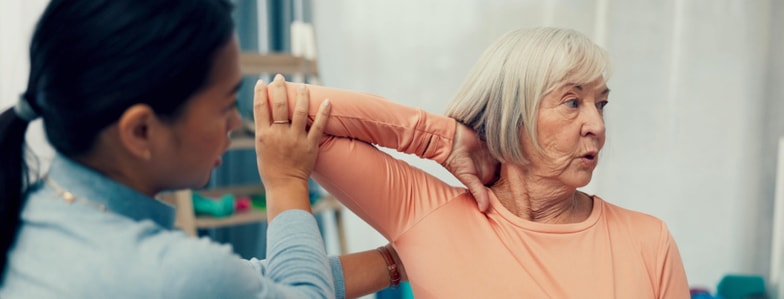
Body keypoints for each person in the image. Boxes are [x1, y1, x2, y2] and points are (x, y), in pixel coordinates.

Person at [0, 0, 402, 298]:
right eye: (226, 105)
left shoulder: (37, 209)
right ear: (140, 130)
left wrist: (397, 260)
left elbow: (254, 283)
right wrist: (286, 181)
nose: (235, 124)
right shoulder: (168, 273)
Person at [268, 27, 690, 298]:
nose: (596, 125)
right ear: (513, 112)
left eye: (602, 104)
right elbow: (282, 106)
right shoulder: (430, 215)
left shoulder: (648, 241)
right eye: (572, 102)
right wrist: (443, 138)